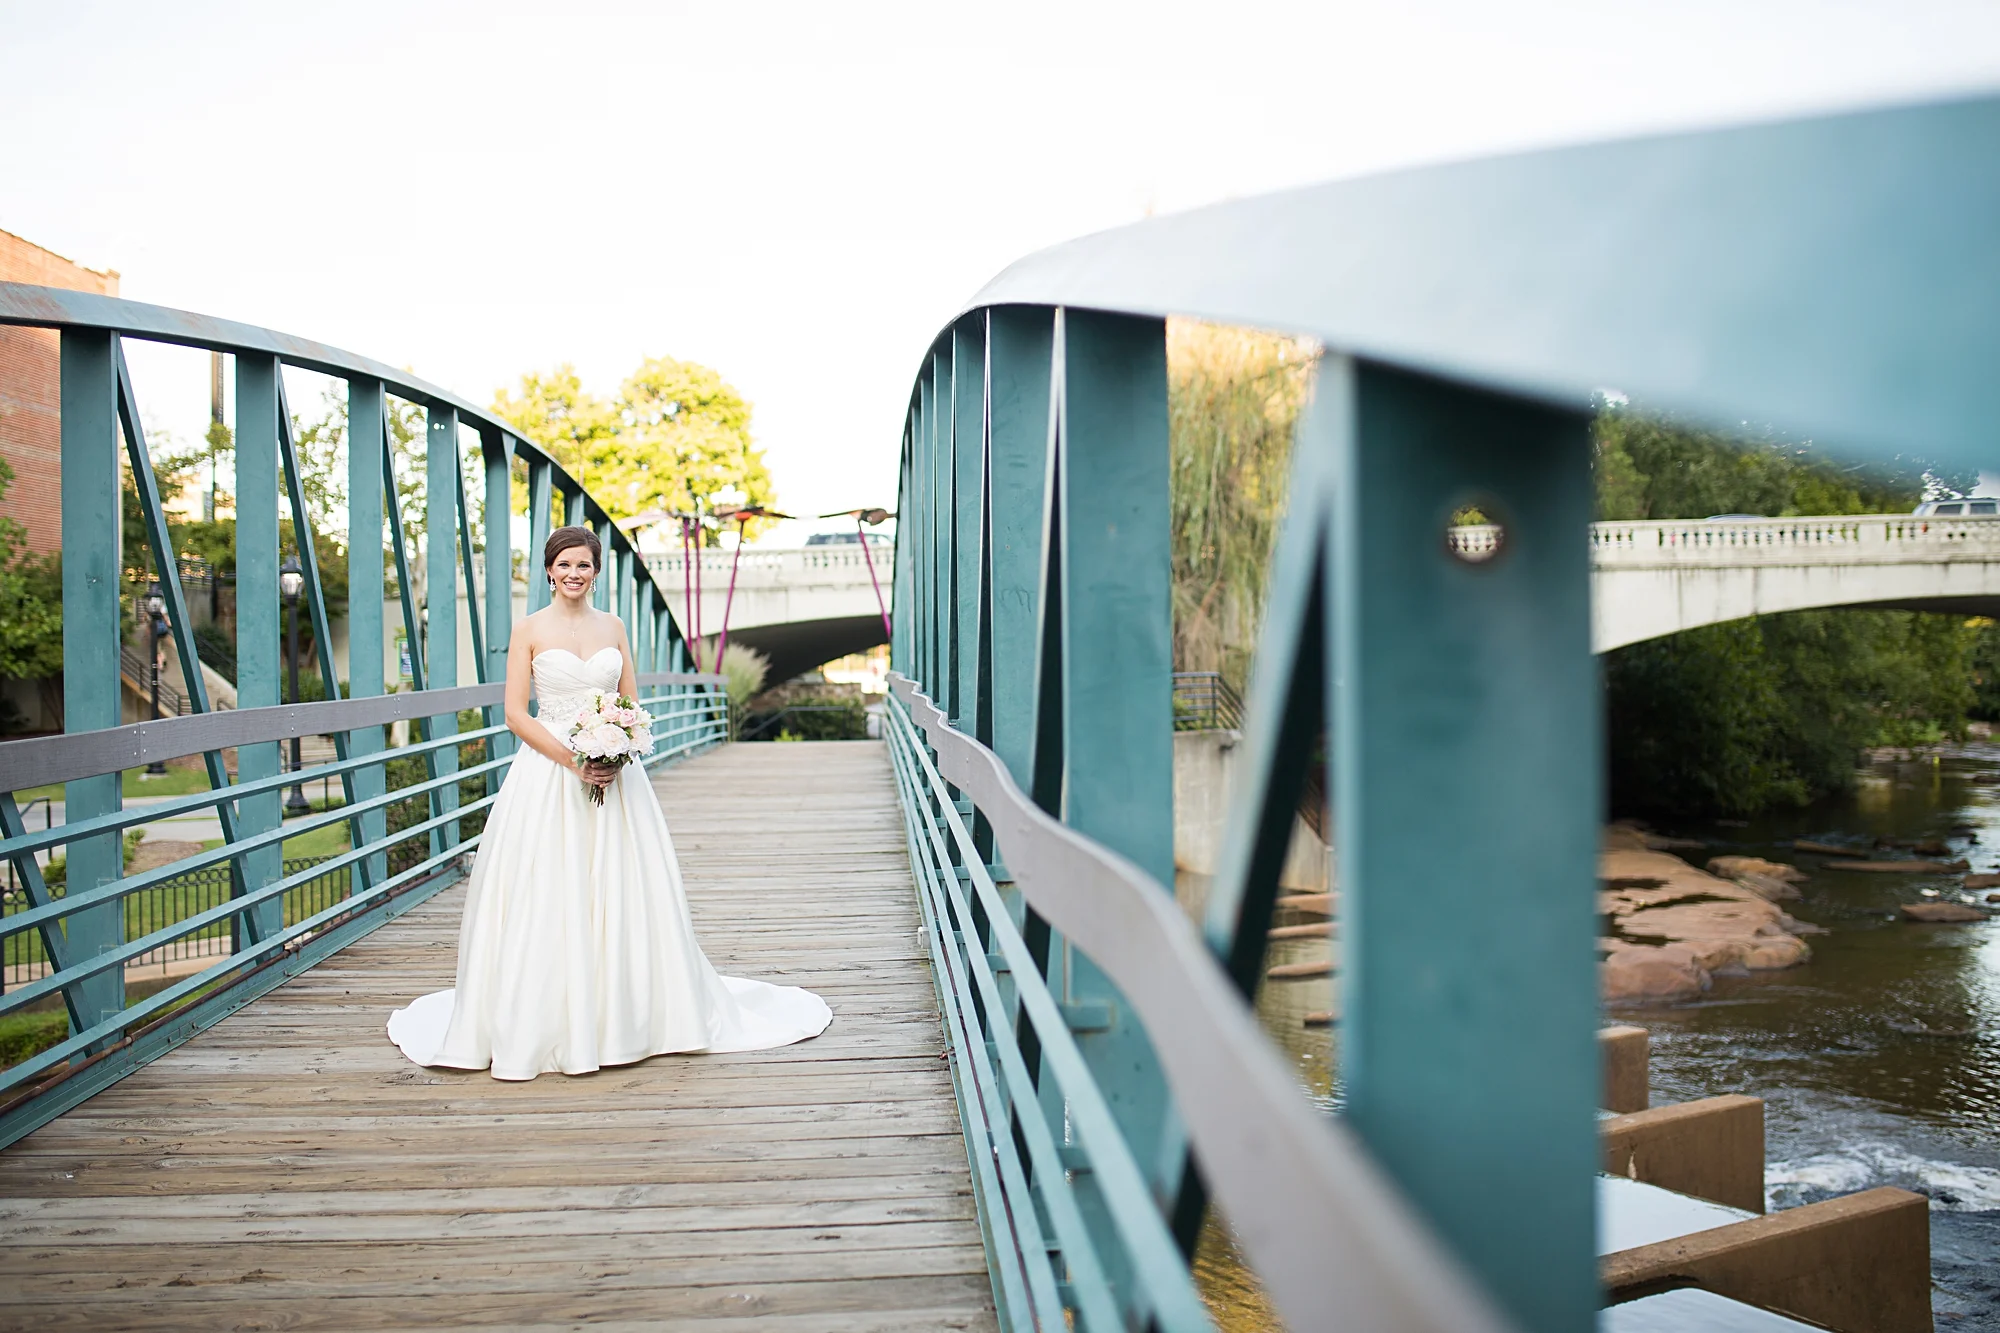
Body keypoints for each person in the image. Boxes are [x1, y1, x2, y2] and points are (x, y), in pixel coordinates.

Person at [386, 525, 831, 1079]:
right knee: (547, 890)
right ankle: (545, 1016)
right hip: (549, 775)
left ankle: (627, 1016)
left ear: (597, 572)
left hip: (616, 777)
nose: (575, 574)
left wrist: (617, 750)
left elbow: (630, 704)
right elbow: (516, 714)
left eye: (585, 566)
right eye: (565, 564)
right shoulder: (528, 630)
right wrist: (573, 760)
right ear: (549, 570)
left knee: (623, 887)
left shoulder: (615, 626)